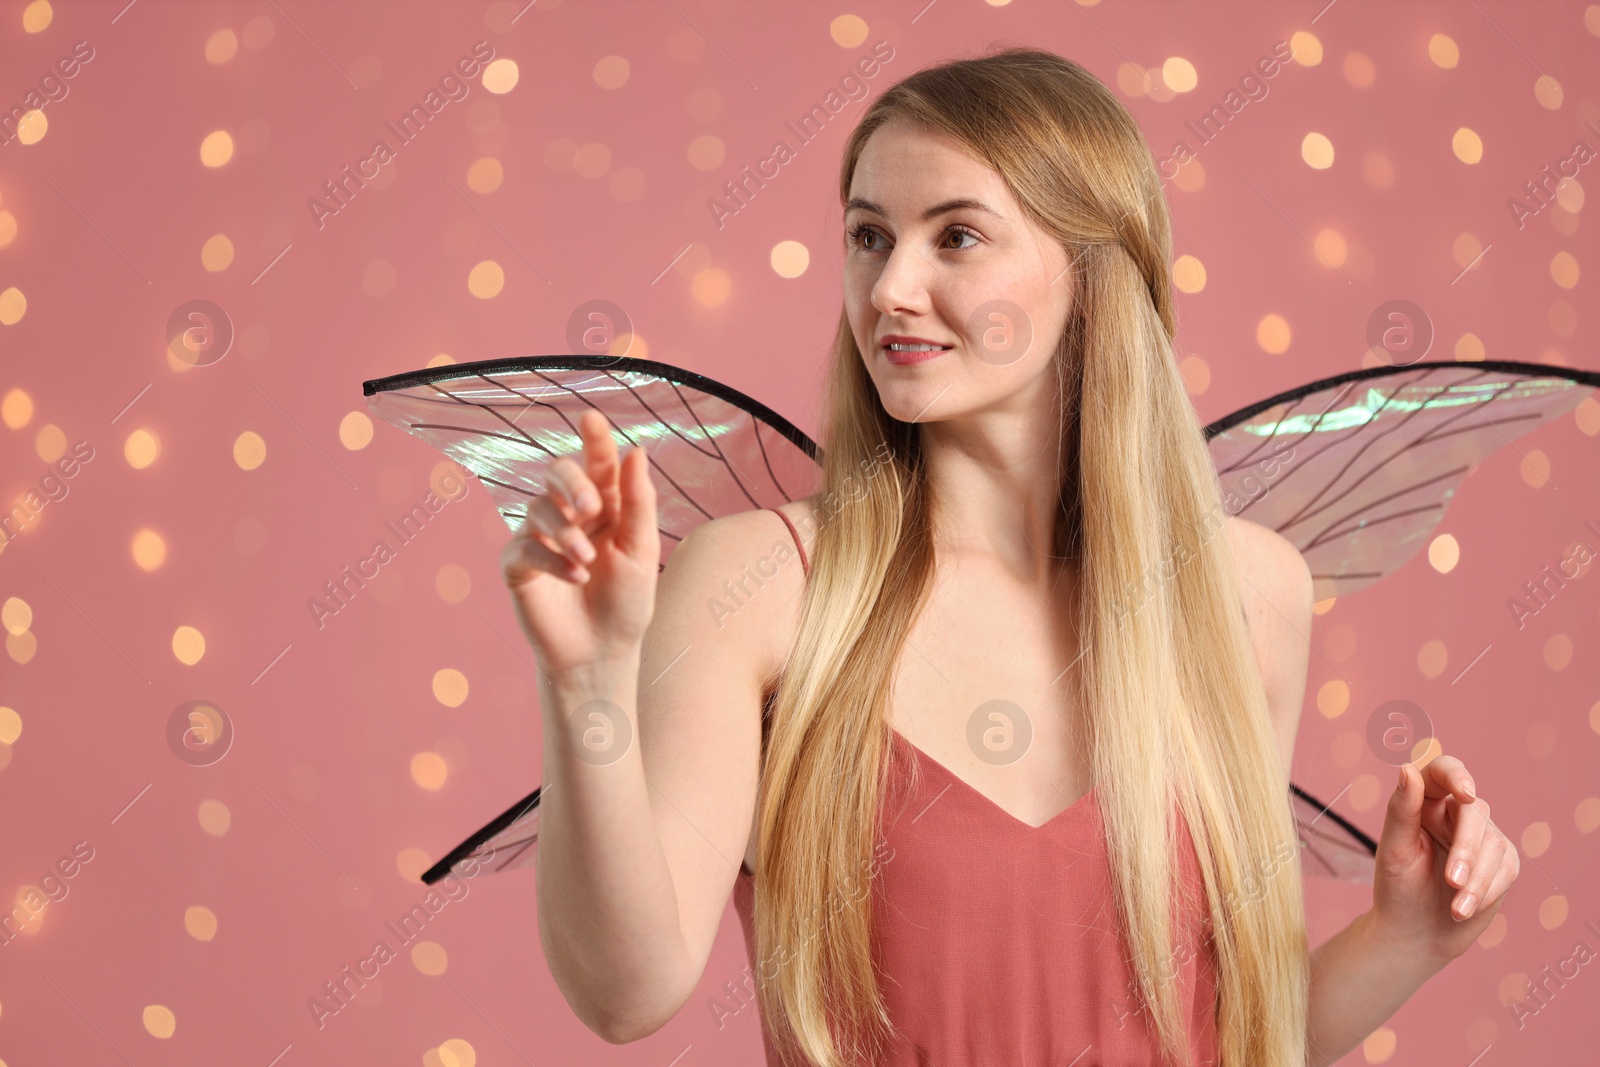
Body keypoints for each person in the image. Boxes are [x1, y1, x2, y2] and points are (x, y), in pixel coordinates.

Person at [500, 46, 1519, 1067]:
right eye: (868, 235)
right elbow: (625, 990)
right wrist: (587, 680)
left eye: (956, 235)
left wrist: (1411, 933)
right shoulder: (757, 587)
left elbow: (1239, 1029)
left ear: (1088, 271)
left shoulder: (1245, 591)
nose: (891, 286)